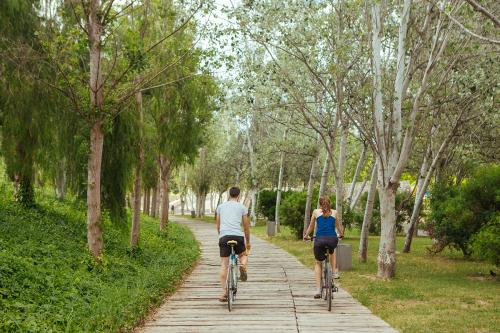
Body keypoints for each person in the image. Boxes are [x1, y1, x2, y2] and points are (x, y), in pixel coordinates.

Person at [215, 186, 251, 302]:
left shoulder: (220, 207)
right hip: (237, 236)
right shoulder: (242, 207)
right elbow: (246, 227)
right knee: (243, 255)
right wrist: (248, 242)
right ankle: (243, 266)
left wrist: (221, 236)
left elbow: (218, 226)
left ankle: (224, 292)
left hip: (224, 237)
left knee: (224, 264)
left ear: (229, 195)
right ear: (239, 196)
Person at [303, 197, 343, 299]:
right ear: (330, 204)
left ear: (320, 205)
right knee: (332, 250)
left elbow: (311, 226)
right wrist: (341, 234)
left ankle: (318, 290)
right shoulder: (334, 212)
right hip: (332, 239)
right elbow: (338, 226)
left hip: (319, 240)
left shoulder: (316, 212)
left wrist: (306, 236)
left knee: (317, 262)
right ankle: (334, 272)